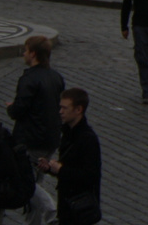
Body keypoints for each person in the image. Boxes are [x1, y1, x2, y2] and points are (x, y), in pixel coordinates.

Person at [7, 35, 64, 225]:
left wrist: (11, 107)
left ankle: (51, 210)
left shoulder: (29, 79)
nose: (23, 54)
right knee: (35, 181)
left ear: (33, 53)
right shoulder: (56, 77)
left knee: (26, 183)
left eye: (25, 50)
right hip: (51, 138)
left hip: (30, 139)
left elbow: (18, 110)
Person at [38, 87, 101, 225]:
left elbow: (90, 176)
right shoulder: (68, 133)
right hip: (68, 206)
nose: (60, 112)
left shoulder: (87, 139)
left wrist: (60, 170)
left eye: (65, 108)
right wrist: (50, 168)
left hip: (80, 209)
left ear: (78, 110)